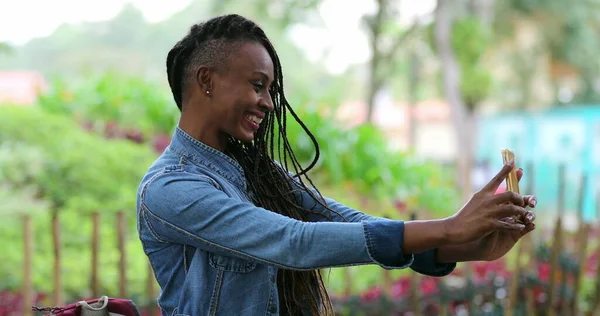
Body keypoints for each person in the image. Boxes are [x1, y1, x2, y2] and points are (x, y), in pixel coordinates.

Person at [136, 14, 537, 316]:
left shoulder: (258, 172)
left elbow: (344, 221)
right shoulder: (170, 189)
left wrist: (466, 245)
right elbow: (294, 242)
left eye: (271, 90)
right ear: (206, 80)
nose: (270, 103)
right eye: (258, 85)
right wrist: (450, 226)